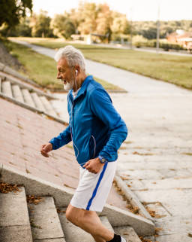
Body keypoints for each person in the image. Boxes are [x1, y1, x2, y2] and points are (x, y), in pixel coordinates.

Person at [40, 45, 128, 242]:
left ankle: (119, 241)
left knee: (74, 214)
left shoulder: (94, 93)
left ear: (76, 69)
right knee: (88, 215)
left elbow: (120, 128)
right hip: (86, 164)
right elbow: (73, 128)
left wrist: (101, 159)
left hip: (99, 164)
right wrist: (53, 144)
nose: (58, 75)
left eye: (61, 70)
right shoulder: (73, 94)